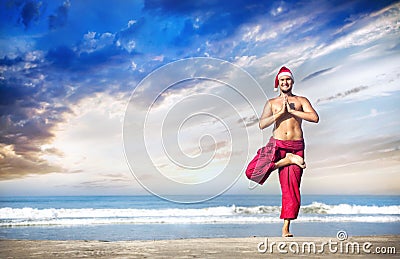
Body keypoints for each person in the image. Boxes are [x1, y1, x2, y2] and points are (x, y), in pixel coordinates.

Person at [245, 66, 319, 237]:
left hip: (296, 146)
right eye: (282, 80)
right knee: (252, 172)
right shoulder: (272, 103)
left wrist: (292, 111)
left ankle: (286, 228)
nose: (285, 82)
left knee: (290, 188)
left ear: (292, 81)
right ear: (278, 83)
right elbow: (262, 124)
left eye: (288, 79)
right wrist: (280, 114)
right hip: (276, 145)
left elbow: (315, 118)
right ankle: (287, 160)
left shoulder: (301, 100)